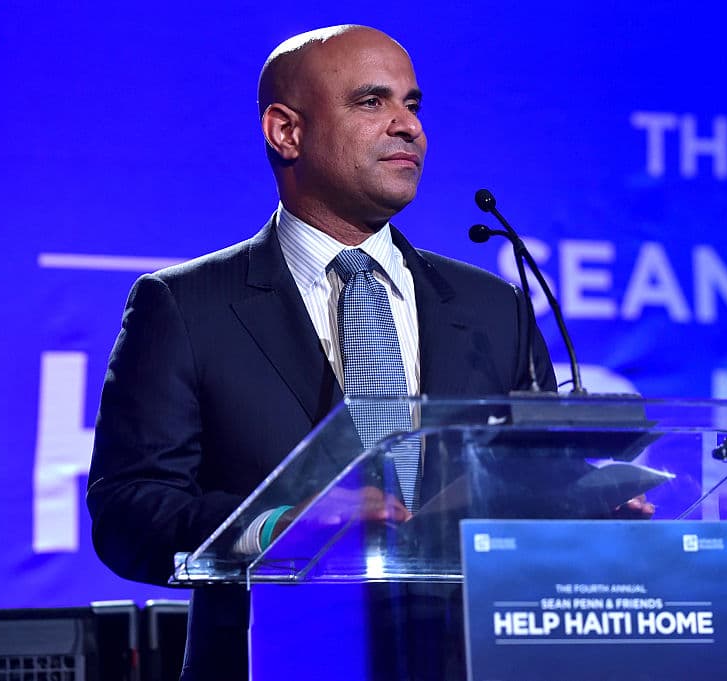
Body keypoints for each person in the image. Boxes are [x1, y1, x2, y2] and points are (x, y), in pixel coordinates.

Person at [86, 25, 556, 681]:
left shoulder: (491, 307)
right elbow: (129, 512)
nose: (408, 127)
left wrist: (586, 504)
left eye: (412, 104)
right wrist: (286, 521)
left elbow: (533, 478)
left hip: (472, 659)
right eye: (372, 102)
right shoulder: (185, 306)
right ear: (286, 131)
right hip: (276, 658)